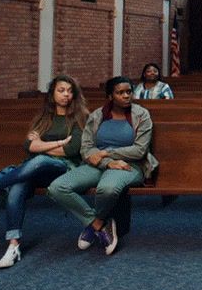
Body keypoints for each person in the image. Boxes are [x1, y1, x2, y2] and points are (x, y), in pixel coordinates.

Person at [0, 75, 87, 268]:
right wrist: (57, 143)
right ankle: (13, 245)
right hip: (33, 169)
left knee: (39, 160)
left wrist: (42, 145)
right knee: (16, 189)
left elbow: (72, 150)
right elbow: (28, 145)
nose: (66, 95)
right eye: (61, 90)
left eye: (70, 91)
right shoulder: (44, 117)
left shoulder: (79, 117)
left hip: (62, 169)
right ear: (52, 93)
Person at [47, 76, 158, 255]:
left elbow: (139, 150)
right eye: (120, 93)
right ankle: (98, 224)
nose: (126, 96)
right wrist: (106, 162)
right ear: (110, 96)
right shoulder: (97, 115)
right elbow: (86, 148)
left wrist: (107, 153)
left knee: (106, 189)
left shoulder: (141, 115)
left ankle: (93, 225)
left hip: (129, 166)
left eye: (129, 92)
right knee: (57, 187)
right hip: (97, 164)